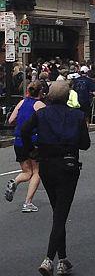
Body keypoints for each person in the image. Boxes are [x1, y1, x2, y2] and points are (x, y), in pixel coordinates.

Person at [20, 80, 90, 276]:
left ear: (49, 96)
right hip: (68, 166)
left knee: (58, 211)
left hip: (47, 166)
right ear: (68, 97)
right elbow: (85, 145)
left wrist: (30, 150)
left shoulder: (41, 114)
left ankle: (63, 259)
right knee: (61, 213)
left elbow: (24, 130)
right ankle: (49, 259)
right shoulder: (77, 116)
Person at [4, 81, 46, 212]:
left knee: (27, 172)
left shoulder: (22, 102)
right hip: (33, 141)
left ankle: (14, 182)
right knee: (37, 172)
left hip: (18, 141)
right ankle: (27, 202)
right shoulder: (39, 105)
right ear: (40, 92)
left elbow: (11, 120)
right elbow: (48, 121)